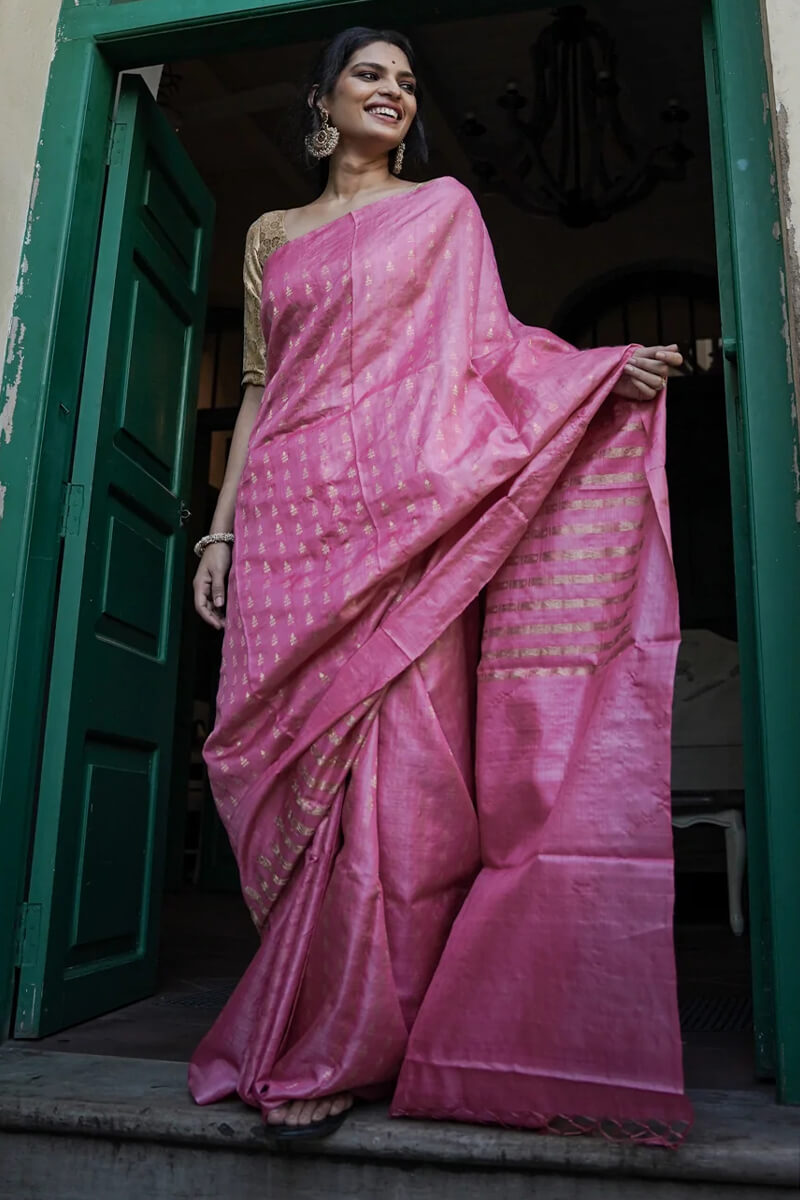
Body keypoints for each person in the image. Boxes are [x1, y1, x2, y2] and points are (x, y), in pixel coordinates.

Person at [189, 26, 692, 1147]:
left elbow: (488, 353)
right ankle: (306, 1006)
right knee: (275, 766)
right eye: (370, 75)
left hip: (405, 520)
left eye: (409, 83)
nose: (394, 93)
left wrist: (600, 371)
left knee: (401, 773)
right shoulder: (271, 234)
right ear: (322, 99)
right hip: (286, 523)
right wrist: (217, 535)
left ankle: (354, 1037)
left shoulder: (444, 212)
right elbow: (262, 388)